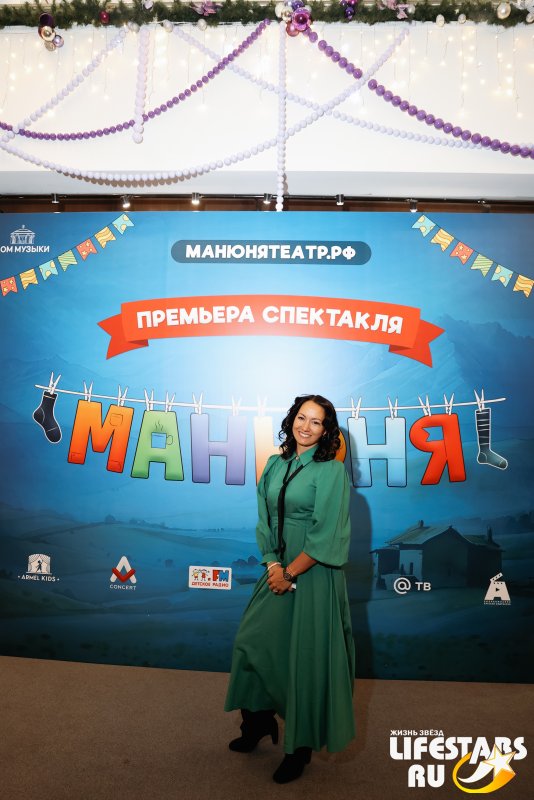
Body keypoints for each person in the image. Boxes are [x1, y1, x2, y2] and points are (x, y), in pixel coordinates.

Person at [225, 394, 355, 784]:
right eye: (302, 417)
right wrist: (272, 565)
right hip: (277, 567)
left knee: (305, 660)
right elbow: (264, 518)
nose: (306, 426)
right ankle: (258, 722)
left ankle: (299, 749)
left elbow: (326, 533)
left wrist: (291, 573)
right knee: (252, 642)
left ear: (326, 430)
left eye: (316, 421)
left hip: (312, 574)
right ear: (291, 420)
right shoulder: (274, 464)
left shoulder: (331, 471)